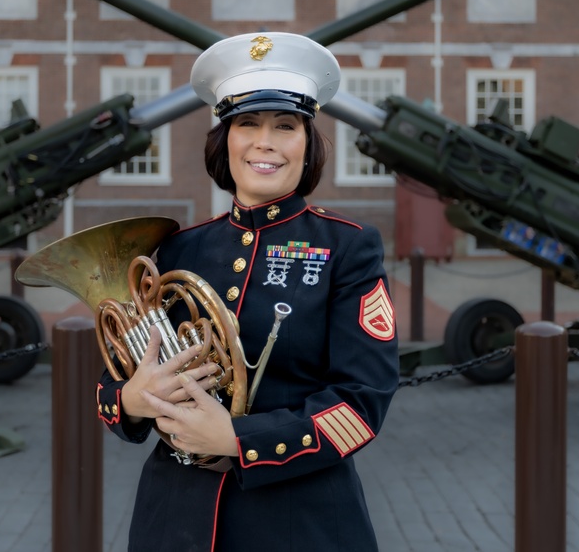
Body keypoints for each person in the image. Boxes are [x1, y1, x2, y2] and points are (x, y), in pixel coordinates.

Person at [96, 31, 400, 552]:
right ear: (225, 140)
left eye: (285, 126)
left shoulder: (348, 248)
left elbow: (361, 404)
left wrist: (239, 441)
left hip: (298, 519)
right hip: (174, 517)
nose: (265, 141)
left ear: (308, 144)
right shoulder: (175, 250)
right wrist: (131, 397)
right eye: (247, 125)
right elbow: (113, 384)